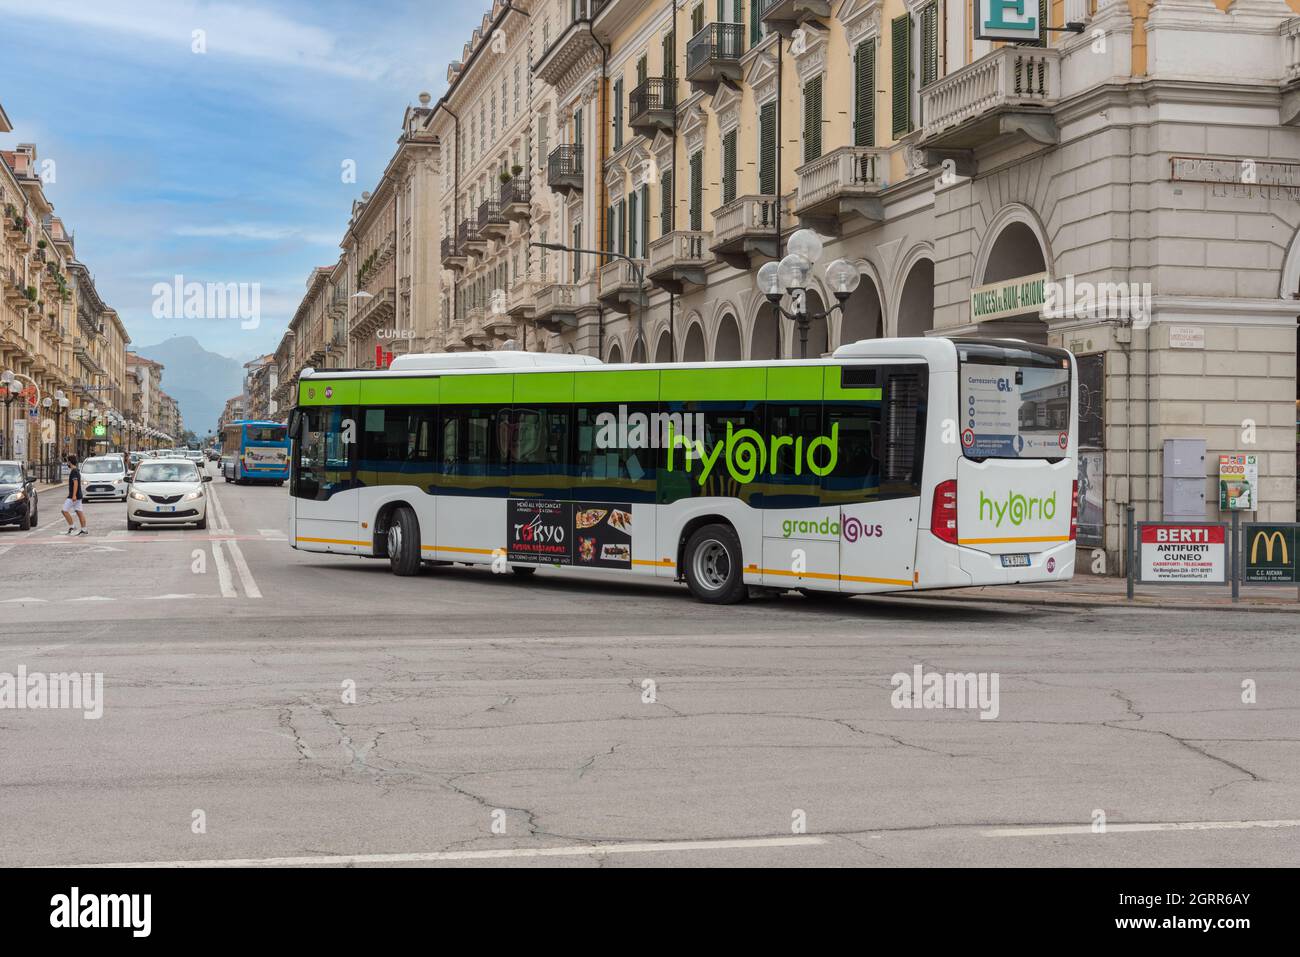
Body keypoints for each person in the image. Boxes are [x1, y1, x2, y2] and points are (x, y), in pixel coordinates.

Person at [61, 453, 87, 536]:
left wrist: (74, 495)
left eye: (67, 462)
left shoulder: (74, 471)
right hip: (77, 495)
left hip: (74, 495)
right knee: (79, 512)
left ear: (70, 462)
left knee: (64, 510)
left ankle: (72, 527)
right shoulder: (76, 470)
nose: (67, 463)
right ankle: (84, 529)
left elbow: (75, 483)